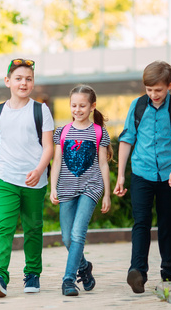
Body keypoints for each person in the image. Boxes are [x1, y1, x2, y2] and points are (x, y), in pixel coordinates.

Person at [114, 61, 171, 294]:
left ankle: (169, 271)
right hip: (141, 173)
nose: (153, 94)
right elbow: (127, 139)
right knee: (141, 222)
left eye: (158, 90)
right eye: (149, 90)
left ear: (169, 85)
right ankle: (137, 271)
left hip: (169, 174)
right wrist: (121, 175)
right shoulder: (137, 106)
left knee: (168, 223)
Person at [0, 59, 54, 298]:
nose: (24, 83)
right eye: (18, 78)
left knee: (33, 227)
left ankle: (32, 273)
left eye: (28, 79)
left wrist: (39, 169)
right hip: (5, 177)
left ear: (33, 83)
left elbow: (48, 147)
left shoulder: (40, 109)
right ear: (8, 82)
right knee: (4, 226)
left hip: (34, 180)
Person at [49, 84, 112, 296]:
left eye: (82, 106)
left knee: (77, 233)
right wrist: (53, 188)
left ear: (92, 106)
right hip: (66, 187)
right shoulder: (62, 132)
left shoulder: (99, 132)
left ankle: (68, 279)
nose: (77, 109)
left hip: (90, 187)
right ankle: (84, 266)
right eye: (74, 105)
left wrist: (107, 194)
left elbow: (103, 164)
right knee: (67, 238)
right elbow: (56, 162)